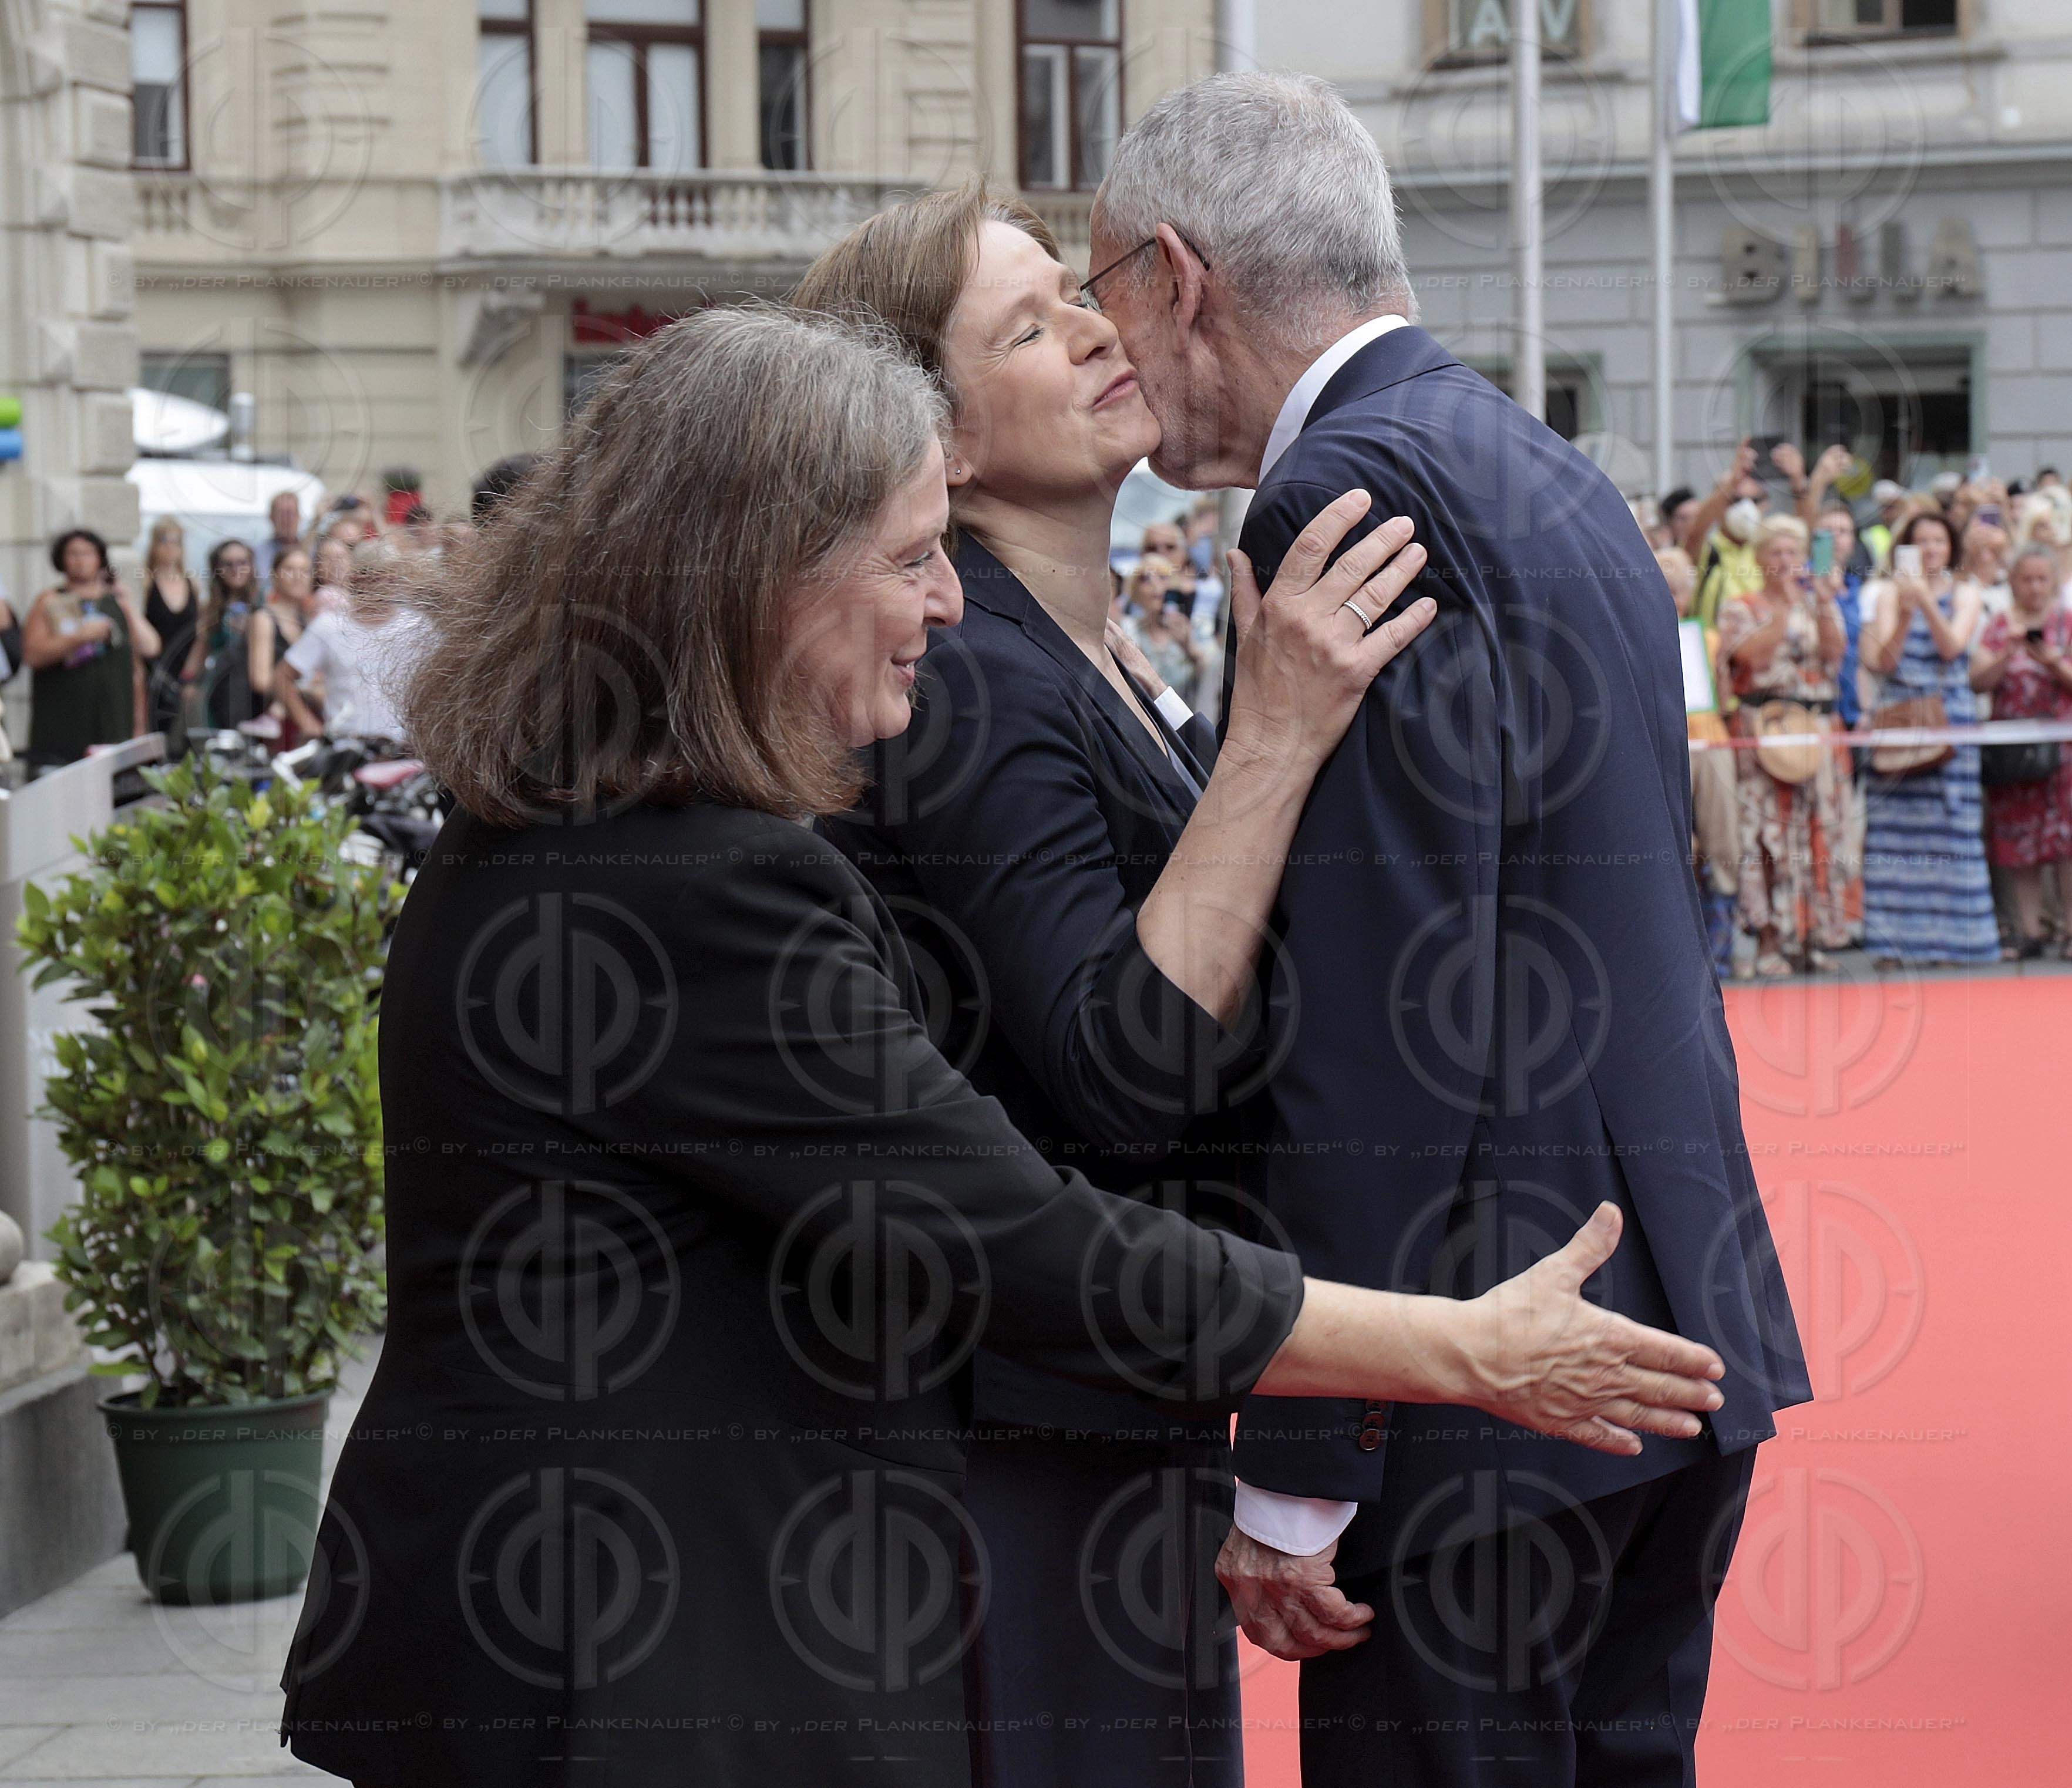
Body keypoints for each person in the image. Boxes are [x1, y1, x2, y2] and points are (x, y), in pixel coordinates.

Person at [278, 305, 1724, 1788]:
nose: (951, 607)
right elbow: (1026, 1244)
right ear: (757, 576)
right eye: (912, 560)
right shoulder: (686, 887)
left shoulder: (591, 831)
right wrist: (1464, 1346)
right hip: (638, 1660)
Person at [1085, 72, 1807, 1788]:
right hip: (1667, 1323)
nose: (1107, 353)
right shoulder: (1537, 461)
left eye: (1101, 294)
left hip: (1498, 1387)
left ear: (1177, 277)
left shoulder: (1345, 490)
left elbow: (1381, 1015)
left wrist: (1299, 1462)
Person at [798, 186, 1430, 1787]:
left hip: (1109, 1392)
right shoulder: (974, 679)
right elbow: (1124, 1065)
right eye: (1028, 325)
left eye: (1078, 298)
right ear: (925, 428)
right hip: (1016, 1432)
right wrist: (1277, 733)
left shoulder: (1078, 647)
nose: (1098, 329)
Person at [1859, 510, 2000, 967]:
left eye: (1939, 541)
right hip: (1899, 718)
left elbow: (1953, 648)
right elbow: (1882, 661)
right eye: (1922, 542)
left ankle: (1953, 942)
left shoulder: (1966, 593)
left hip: (1949, 721)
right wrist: (1904, 610)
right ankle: (1893, 944)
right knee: (1894, 837)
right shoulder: (1884, 594)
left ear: (1951, 548)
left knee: (1951, 832)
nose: (1931, 550)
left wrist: (1926, 603)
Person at [1717, 516, 1853, 975]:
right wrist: (1783, 608)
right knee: (1766, 832)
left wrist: (1819, 604)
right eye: (1776, 552)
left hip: (1814, 726)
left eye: (1793, 552)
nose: (1786, 561)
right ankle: (1770, 940)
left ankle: (1810, 935)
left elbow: (1835, 654)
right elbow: (1749, 661)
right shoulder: (1742, 607)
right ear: (1759, 559)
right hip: (1764, 725)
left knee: (1815, 829)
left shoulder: (1817, 602)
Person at [1970, 544, 2072, 957]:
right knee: (2018, 838)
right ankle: (2029, 931)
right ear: (2012, 581)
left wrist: (2052, 662)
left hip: (2063, 751)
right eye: (2025, 578)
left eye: (2041, 578)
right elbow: (1977, 680)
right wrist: (2008, 652)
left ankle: (2067, 928)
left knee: (2066, 841)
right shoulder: (1998, 625)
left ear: (2053, 582)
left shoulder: (2066, 624)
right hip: (2012, 752)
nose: (2033, 587)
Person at [1659, 545, 1738, 977]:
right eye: (1665, 589)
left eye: (1678, 590)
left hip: (1711, 741)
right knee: (1673, 846)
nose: (1673, 599)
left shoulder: (1707, 638)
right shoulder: (1641, 637)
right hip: (1666, 744)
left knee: (1723, 840)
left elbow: (1725, 702)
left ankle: (1723, 946)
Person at [20, 529, 160, 769]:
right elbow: (33, 654)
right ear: (62, 560)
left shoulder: (115, 602)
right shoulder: (50, 600)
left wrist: (127, 604)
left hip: (113, 722)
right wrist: (80, 637)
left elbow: (150, 648)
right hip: (63, 724)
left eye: (87, 553)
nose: (80, 560)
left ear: (100, 558)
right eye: (73, 554)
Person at [275, 539, 428, 744]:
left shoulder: (417, 625)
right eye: (376, 576)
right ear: (356, 579)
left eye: (393, 575)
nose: (387, 583)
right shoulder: (329, 626)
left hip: (404, 752)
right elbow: (282, 677)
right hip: (347, 750)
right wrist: (310, 726)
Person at [247, 546, 320, 746]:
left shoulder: (307, 621)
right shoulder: (263, 618)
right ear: (275, 576)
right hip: (263, 721)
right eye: (290, 570)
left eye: (305, 571)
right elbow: (261, 680)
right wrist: (307, 688)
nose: (298, 577)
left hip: (296, 721)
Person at [138, 515, 200, 743]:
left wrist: (190, 676)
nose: (171, 547)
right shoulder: (146, 583)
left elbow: (198, 632)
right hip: (154, 671)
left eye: (177, 541)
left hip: (183, 673)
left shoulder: (192, 583)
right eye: (165, 540)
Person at [194, 538, 261, 728]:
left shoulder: (264, 602)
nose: (235, 569)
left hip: (253, 690)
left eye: (242, 563)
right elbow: (202, 647)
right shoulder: (212, 607)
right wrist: (188, 683)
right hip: (219, 688)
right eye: (228, 564)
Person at [252, 489, 305, 584]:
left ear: (299, 517)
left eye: (290, 513)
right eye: (281, 514)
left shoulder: (314, 549)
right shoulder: (259, 553)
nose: (286, 520)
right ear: (271, 518)